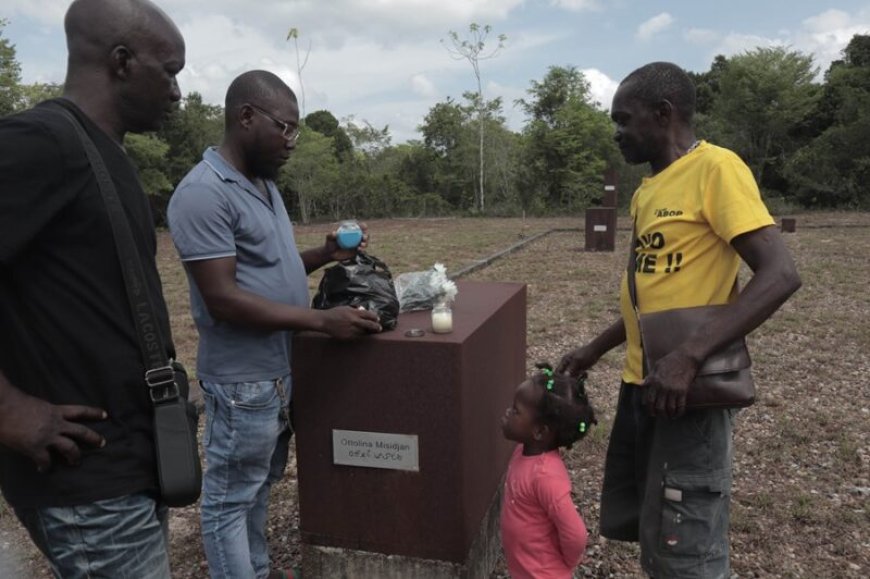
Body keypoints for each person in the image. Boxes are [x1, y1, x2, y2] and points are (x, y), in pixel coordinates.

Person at [558, 62, 802, 578]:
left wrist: (689, 357)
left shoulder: (716, 169)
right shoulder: (650, 191)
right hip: (645, 385)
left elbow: (780, 274)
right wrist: (595, 349)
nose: (617, 134)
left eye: (624, 120)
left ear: (663, 113)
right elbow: (654, 296)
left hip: (688, 391)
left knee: (688, 541)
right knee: (658, 525)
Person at [167, 70, 382, 579]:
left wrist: (325, 253)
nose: (291, 142)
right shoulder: (203, 193)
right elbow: (223, 299)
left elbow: (270, 271)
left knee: (257, 489)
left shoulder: (262, 185)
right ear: (246, 117)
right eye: (285, 128)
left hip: (278, 374)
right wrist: (321, 322)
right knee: (228, 504)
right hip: (243, 382)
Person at [0, 0, 186, 577]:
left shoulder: (103, 154)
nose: (178, 91)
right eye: (170, 70)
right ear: (123, 62)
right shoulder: (40, 143)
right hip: (86, 484)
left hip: (127, 466)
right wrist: (7, 409)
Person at [499, 362, 596, 579]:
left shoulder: (545, 476)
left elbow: (576, 533)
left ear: (540, 431)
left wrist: (567, 563)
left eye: (516, 411)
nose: (507, 411)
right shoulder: (523, 451)